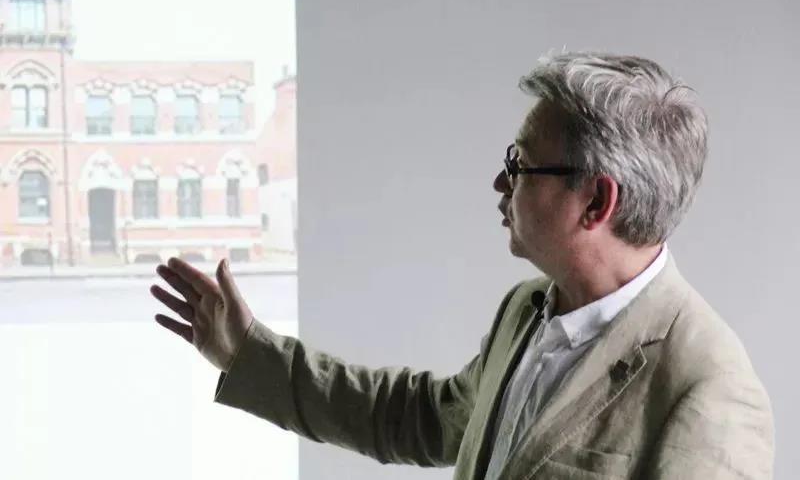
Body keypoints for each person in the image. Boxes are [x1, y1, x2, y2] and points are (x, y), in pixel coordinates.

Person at [151, 51, 774, 479]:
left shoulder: (709, 387)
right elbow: (423, 418)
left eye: (520, 164)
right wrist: (249, 356)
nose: (501, 182)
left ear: (596, 202)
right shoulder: (528, 309)